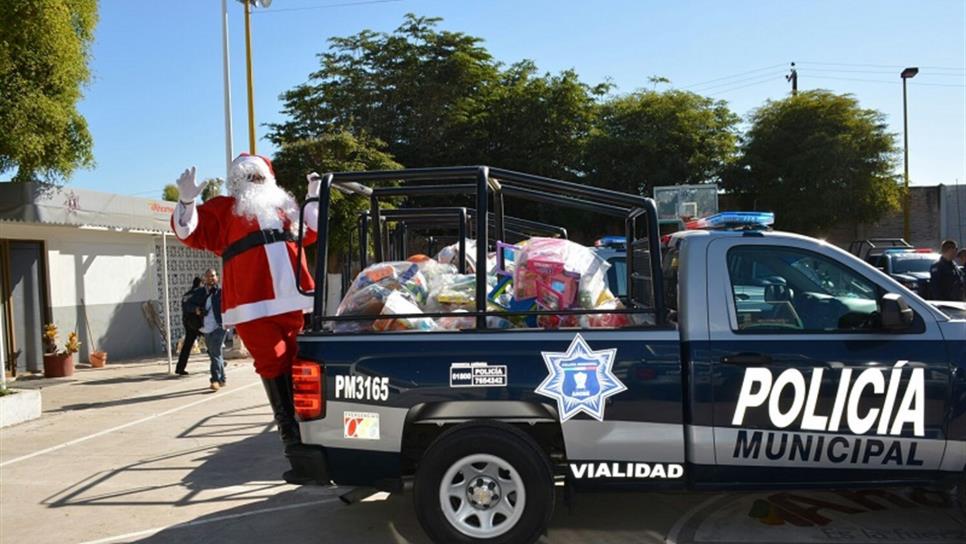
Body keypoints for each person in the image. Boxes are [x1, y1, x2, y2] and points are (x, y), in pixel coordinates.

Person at [170, 154, 320, 483]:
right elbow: (189, 232)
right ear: (234, 183)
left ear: (268, 177)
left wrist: (314, 194)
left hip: (296, 299)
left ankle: (315, 436)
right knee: (274, 363)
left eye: (256, 176)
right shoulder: (224, 210)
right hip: (252, 306)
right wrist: (186, 200)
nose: (250, 182)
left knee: (304, 363)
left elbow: (311, 232)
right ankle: (296, 448)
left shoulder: (285, 206)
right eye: (244, 178)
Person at [200, 268, 227, 391]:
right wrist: (195, 309)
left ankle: (215, 380)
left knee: (215, 353)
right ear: (204, 278)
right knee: (214, 355)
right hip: (206, 328)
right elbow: (187, 303)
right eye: (209, 276)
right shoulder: (200, 292)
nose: (211, 278)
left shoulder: (221, 292)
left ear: (217, 277)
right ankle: (223, 378)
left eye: (213, 276)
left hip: (219, 326)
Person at [175, 276, 206, 376]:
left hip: (188, 323)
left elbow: (185, 307)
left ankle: (180, 368)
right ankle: (218, 362)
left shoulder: (186, 295)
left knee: (187, 346)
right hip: (198, 323)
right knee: (211, 342)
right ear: (201, 284)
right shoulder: (200, 293)